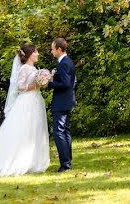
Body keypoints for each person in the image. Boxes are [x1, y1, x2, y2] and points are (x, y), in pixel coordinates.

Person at [0, 44, 50, 178]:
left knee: (34, 129)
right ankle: (17, 161)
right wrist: (36, 85)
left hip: (36, 101)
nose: (38, 54)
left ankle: (33, 161)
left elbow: (36, 84)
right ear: (30, 54)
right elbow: (20, 87)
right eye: (36, 52)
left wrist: (44, 82)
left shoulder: (34, 68)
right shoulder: (24, 68)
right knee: (23, 130)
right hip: (26, 102)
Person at [49, 38, 76, 172]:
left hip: (61, 102)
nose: (51, 51)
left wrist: (49, 83)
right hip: (67, 101)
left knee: (59, 132)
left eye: (53, 49)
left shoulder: (64, 64)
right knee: (65, 131)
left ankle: (65, 164)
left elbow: (65, 83)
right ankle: (67, 161)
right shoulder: (67, 62)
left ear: (59, 49)